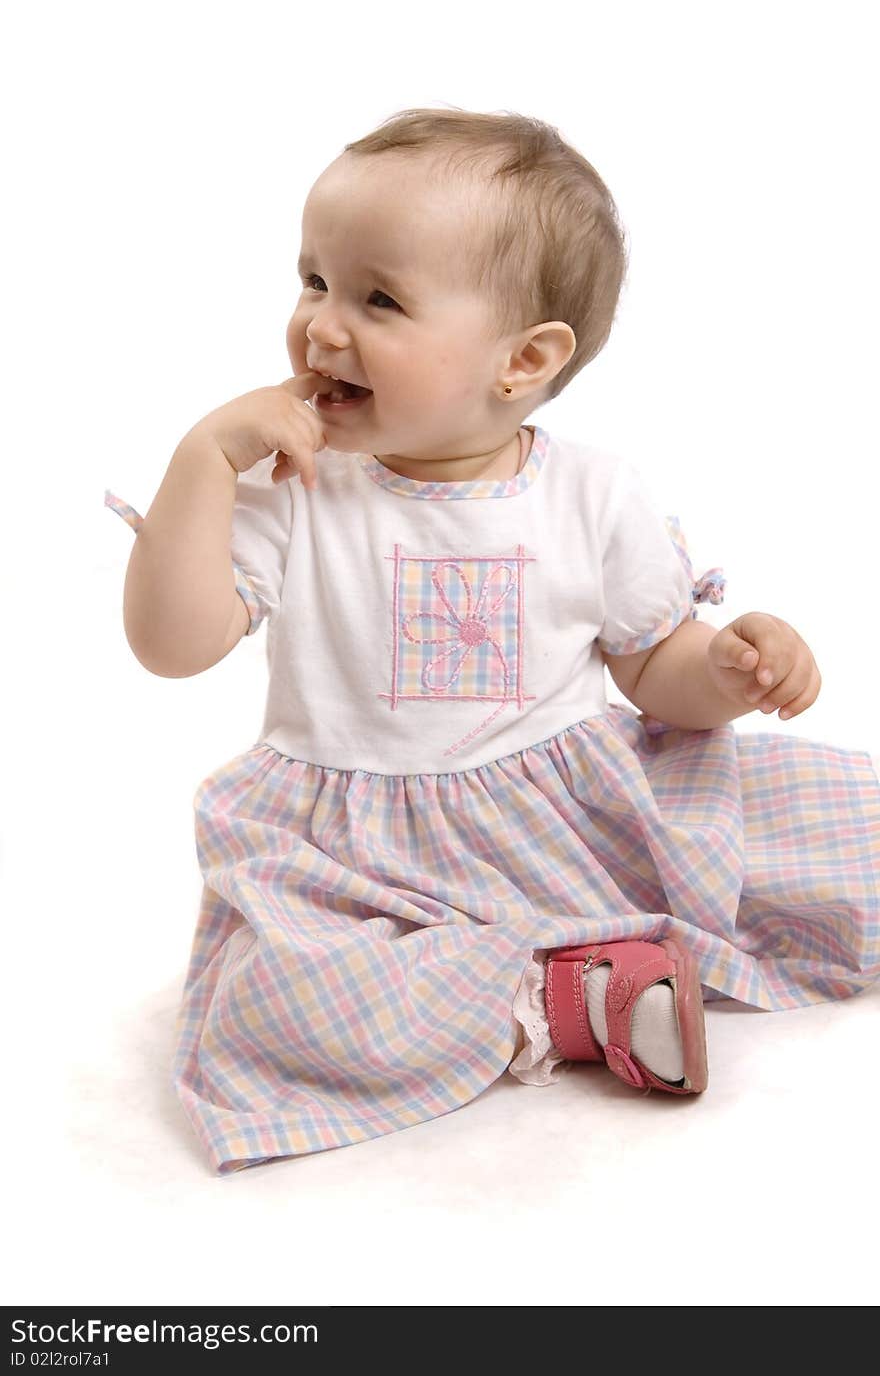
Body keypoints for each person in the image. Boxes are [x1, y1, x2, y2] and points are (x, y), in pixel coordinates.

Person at [105, 107, 880, 1174]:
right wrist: (201, 462)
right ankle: (565, 997)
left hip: (576, 817)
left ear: (523, 359)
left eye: (378, 298)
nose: (322, 328)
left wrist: (731, 670)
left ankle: (590, 951)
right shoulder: (292, 482)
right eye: (314, 280)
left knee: (836, 819)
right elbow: (172, 642)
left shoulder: (591, 492)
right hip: (357, 859)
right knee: (275, 1001)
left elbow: (656, 673)